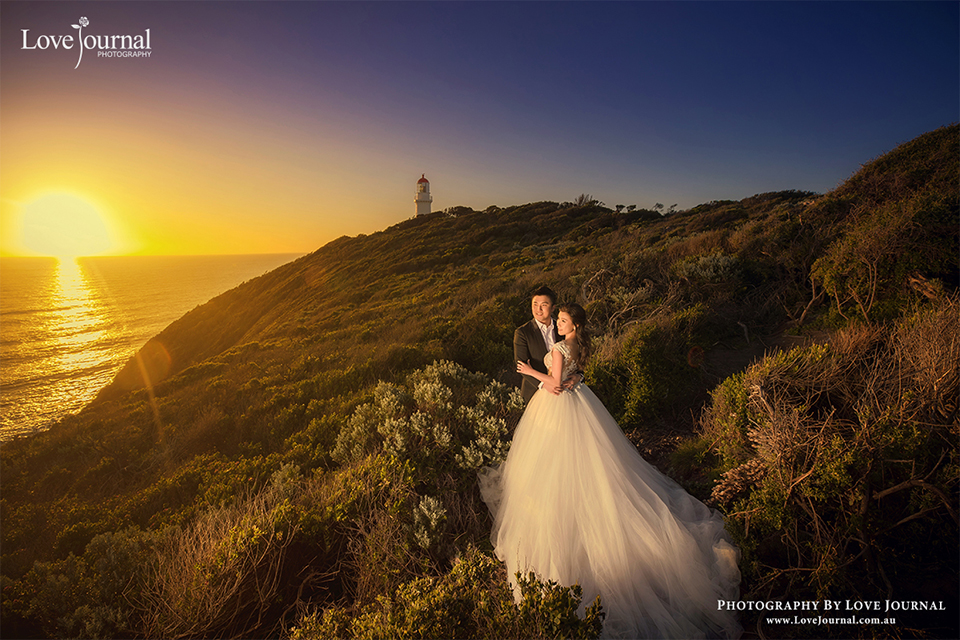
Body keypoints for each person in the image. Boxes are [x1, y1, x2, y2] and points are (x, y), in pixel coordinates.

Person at [481, 303, 742, 639]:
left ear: (573, 324)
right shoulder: (577, 345)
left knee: (555, 472)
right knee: (595, 466)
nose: (557, 324)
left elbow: (556, 385)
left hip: (556, 409)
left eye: (562, 320)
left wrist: (531, 372)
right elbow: (576, 375)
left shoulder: (560, 347)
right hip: (581, 405)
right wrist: (575, 376)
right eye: (558, 319)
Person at [513, 286, 562, 402]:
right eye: (535, 304)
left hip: (562, 390)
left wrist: (578, 376)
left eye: (544, 305)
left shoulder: (562, 328)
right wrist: (544, 385)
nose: (538, 309)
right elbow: (520, 365)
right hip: (536, 393)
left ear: (553, 308)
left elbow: (575, 355)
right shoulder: (523, 333)